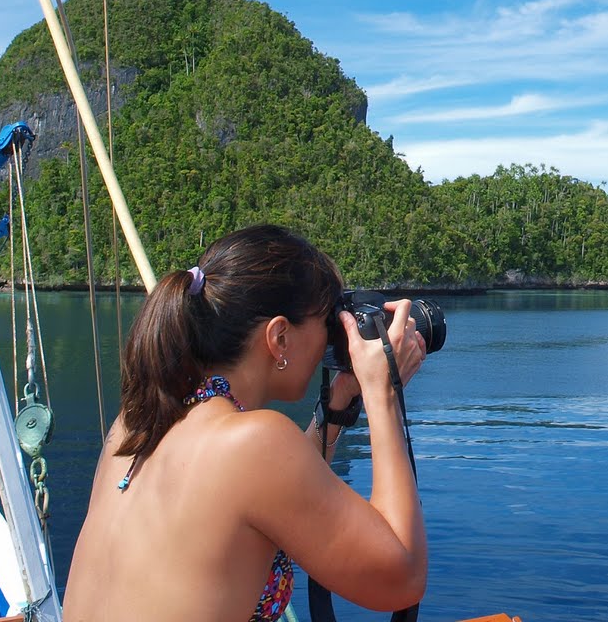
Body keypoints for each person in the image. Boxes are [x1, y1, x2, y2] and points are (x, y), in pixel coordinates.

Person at [63, 224, 430, 622]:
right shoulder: (256, 444)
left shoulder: (135, 424)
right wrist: (383, 392)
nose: (330, 341)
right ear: (280, 338)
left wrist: (338, 404)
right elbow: (401, 578)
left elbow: (269, 491)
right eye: (327, 324)